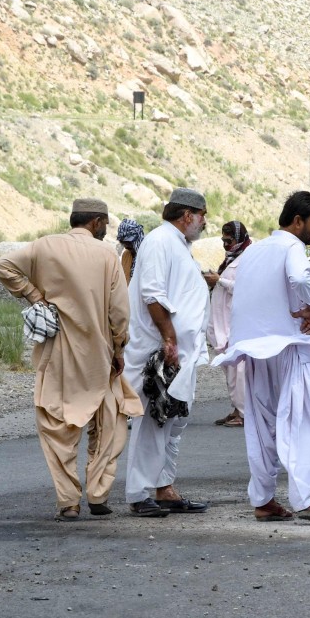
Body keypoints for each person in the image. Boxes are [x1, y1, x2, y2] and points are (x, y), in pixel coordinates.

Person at [0, 198, 141, 521]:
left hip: (56, 353)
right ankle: (98, 494)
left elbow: (3, 266)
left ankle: (68, 501)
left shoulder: (44, 246)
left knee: (56, 425)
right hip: (99, 354)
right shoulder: (106, 255)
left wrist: (34, 295)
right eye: (105, 224)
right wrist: (119, 350)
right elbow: (119, 311)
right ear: (97, 222)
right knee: (109, 424)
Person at [213, 191, 310, 524]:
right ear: (297, 221)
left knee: (261, 424)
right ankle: (305, 500)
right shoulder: (291, 247)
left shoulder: (254, 252)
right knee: (303, 419)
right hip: (291, 348)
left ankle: (264, 500)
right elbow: (298, 277)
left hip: (256, 350)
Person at [124, 188, 211, 517]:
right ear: (187, 215)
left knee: (175, 420)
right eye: (202, 216)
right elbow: (152, 294)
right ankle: (137, 492)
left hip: (180, 353)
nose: (205, 223)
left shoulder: (179, 245)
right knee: (153, 419)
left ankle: (164, 487)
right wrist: (169, 338)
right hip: (159, 351)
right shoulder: (161, 241)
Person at [207, 221, 251, 428]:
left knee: (238, 370)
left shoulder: (248, 258)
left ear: (239, 238)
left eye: (229, 240)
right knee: (229, 368)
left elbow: (246, 287)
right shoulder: (231, 259)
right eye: (223, 241)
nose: (225, 244)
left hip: (235, 323)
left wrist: (219, 281)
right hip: (224, 321)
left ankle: (243, 413)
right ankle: (237, 408)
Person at [116, 218, 145, 284]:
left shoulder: (147, 254)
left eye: (128, 242)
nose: (126, 246)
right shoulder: (126, 254)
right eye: (123, 242)